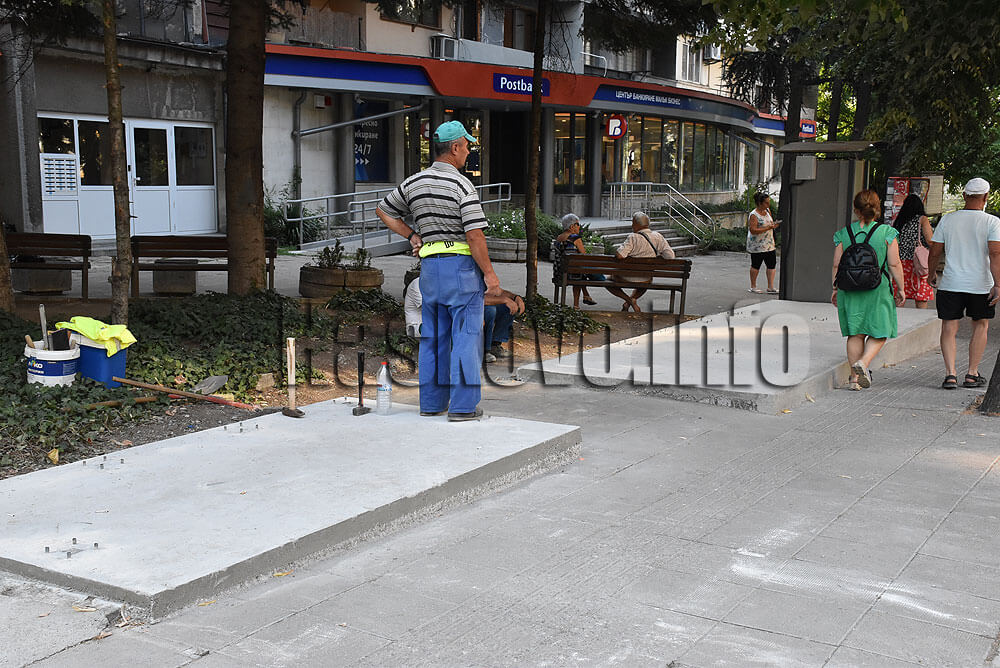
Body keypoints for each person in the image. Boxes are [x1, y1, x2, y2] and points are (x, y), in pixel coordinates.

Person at [376, 120, 502, 421]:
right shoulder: (462, 185)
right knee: (466, 338)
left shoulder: (413, 183)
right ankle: (463, 407)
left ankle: (431, 403)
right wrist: (489, 274)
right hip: (462, 270)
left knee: (432, 338)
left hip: (430, 270)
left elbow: (383, 210)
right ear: (454, 148)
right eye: (466, 146)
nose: (468, 151)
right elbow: (475, 235)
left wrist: (412, 235)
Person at [926, 177, 1000, 389]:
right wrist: (998, 284)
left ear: (965, 195)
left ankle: (950, 374)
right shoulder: (992, 222)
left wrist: (931, 273)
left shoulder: (948, 220)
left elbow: (935, 251)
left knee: (949, 327)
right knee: (981, 325)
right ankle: (972, 373)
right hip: (981, 284)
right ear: (986, 197)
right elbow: (995, 254)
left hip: (951, 283)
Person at [831, 189, 906, 390]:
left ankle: (855, 380)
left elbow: (837, 265)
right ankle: (863, 363)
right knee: (881, 331)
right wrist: (901, 288)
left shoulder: (843, 233)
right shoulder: (887, 233)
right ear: (877, 208)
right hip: (877, 288)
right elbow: (894, 264)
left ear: (855, 210)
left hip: (849, 289)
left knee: (855, 333)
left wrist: (835, 288)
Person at [405, 274, 524, 363]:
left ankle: (484, 349)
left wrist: (515, 297)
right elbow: (437, 311)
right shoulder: (419, 284)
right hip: (419, 325)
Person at [608, 211, 674, 312]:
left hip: (626, 277)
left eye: (633, 223)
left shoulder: (633, 237)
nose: (632, 225)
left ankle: (629, 300)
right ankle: (632, 299)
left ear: (636, 225)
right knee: (647, 280)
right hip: (646, 277)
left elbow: (620, 255)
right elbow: (670, 256)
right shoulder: (658, 237)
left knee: (608, 280)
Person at [892, 193, 935, 308]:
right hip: (919, 264)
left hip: (901, 264)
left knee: (899, 298)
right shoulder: (922, 220)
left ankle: (896, 319)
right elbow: (930, 241)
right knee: (920, 297)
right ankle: (920, 319)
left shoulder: (899, 221)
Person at [552, 213, 604, 308]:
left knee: (578, 270)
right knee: (579, 271)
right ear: (572, 226)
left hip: (559, 271)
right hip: (572, 273)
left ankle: (586, 295)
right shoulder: (575, 238)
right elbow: (584, 256)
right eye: (578, 224)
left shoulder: (559, 238)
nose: (579, 227)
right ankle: (576, 305)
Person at [746, 192, 780, 294]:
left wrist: (773, 225)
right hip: (757, 245)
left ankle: (771, 286)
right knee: (756, 265)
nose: (768, 205)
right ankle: (753, 286)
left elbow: (770, 223)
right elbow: (753, 230)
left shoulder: (767, 211)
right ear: (760, 203)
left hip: (769, 243)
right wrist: (768, 228)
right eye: (766, 203)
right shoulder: (754, 215)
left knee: (771, 265)